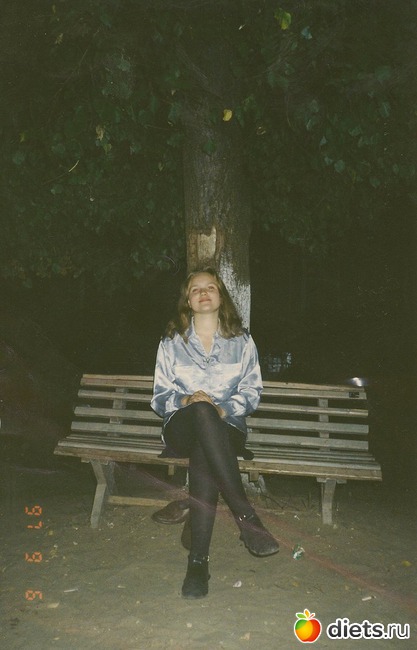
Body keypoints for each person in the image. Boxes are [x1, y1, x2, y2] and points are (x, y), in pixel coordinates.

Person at [151, 267, 279, 599]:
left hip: (227, 428)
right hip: (181, 426)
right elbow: (160, 397)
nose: (203, 292)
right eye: (196, 289)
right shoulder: (172, 343)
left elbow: (251, 392)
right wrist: (187, 400)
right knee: (201, 411)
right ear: (188, 300)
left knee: (204, 451)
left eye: (210, 287)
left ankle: (198, 563)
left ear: (221, 296)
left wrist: (221, 409)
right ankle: (246, 517)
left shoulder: (242, 342)